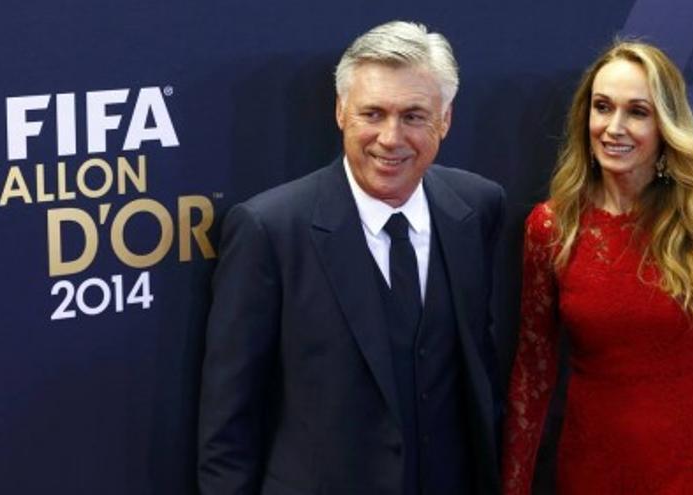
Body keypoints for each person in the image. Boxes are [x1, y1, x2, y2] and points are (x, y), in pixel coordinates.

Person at [198, 21, 506, 495]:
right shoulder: (270, 230)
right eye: (373, 113)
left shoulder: (477, 207)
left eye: (414, 116)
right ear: (341, 112)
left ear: (445, 119)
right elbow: (228, 423)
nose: (390, 137)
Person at [501, 40, 693, 494]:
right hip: (591, 467)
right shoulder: (551, 226)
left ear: (665, 125)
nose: (614, 127)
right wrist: (513, 485)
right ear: (585, 117)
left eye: (637, 111)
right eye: (602, 107)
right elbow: (534, 371)